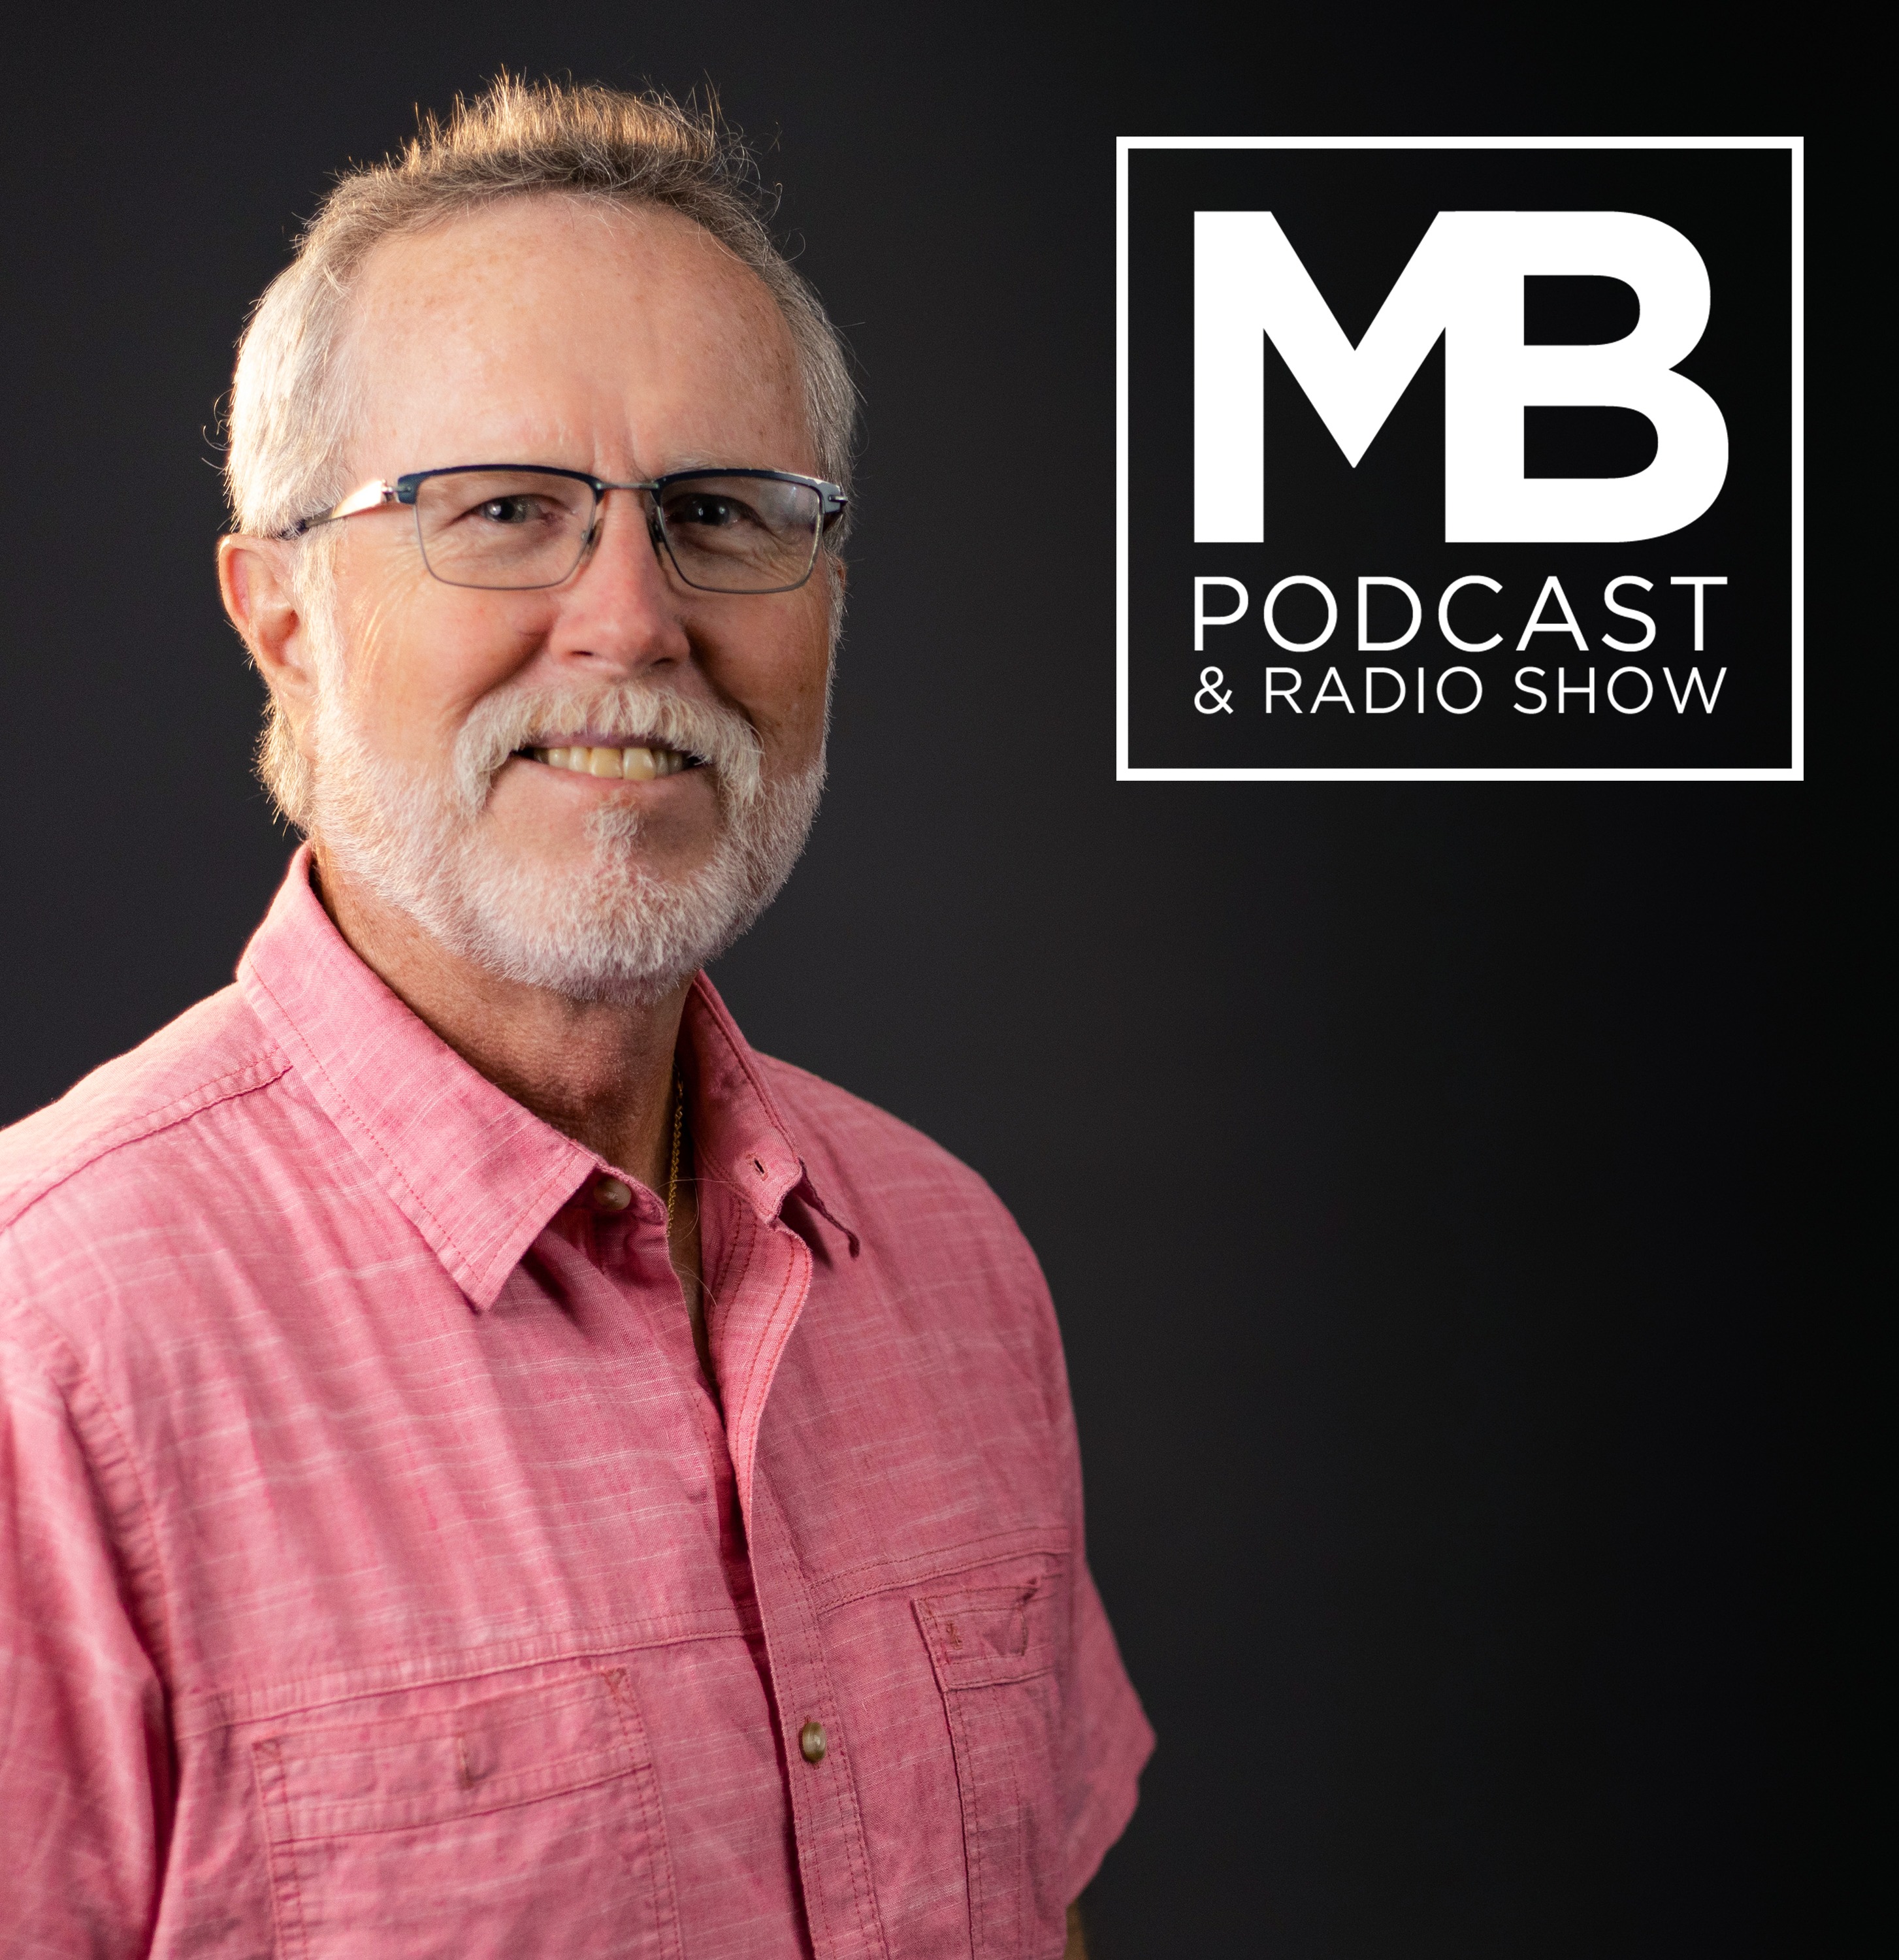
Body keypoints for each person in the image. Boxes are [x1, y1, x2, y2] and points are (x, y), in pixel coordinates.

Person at [0, 78, 1150, 1959]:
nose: (632, 620)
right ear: (281, 614)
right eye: (506, 510)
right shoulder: (45, 1354)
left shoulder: (956, 1269)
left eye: (720, 513)